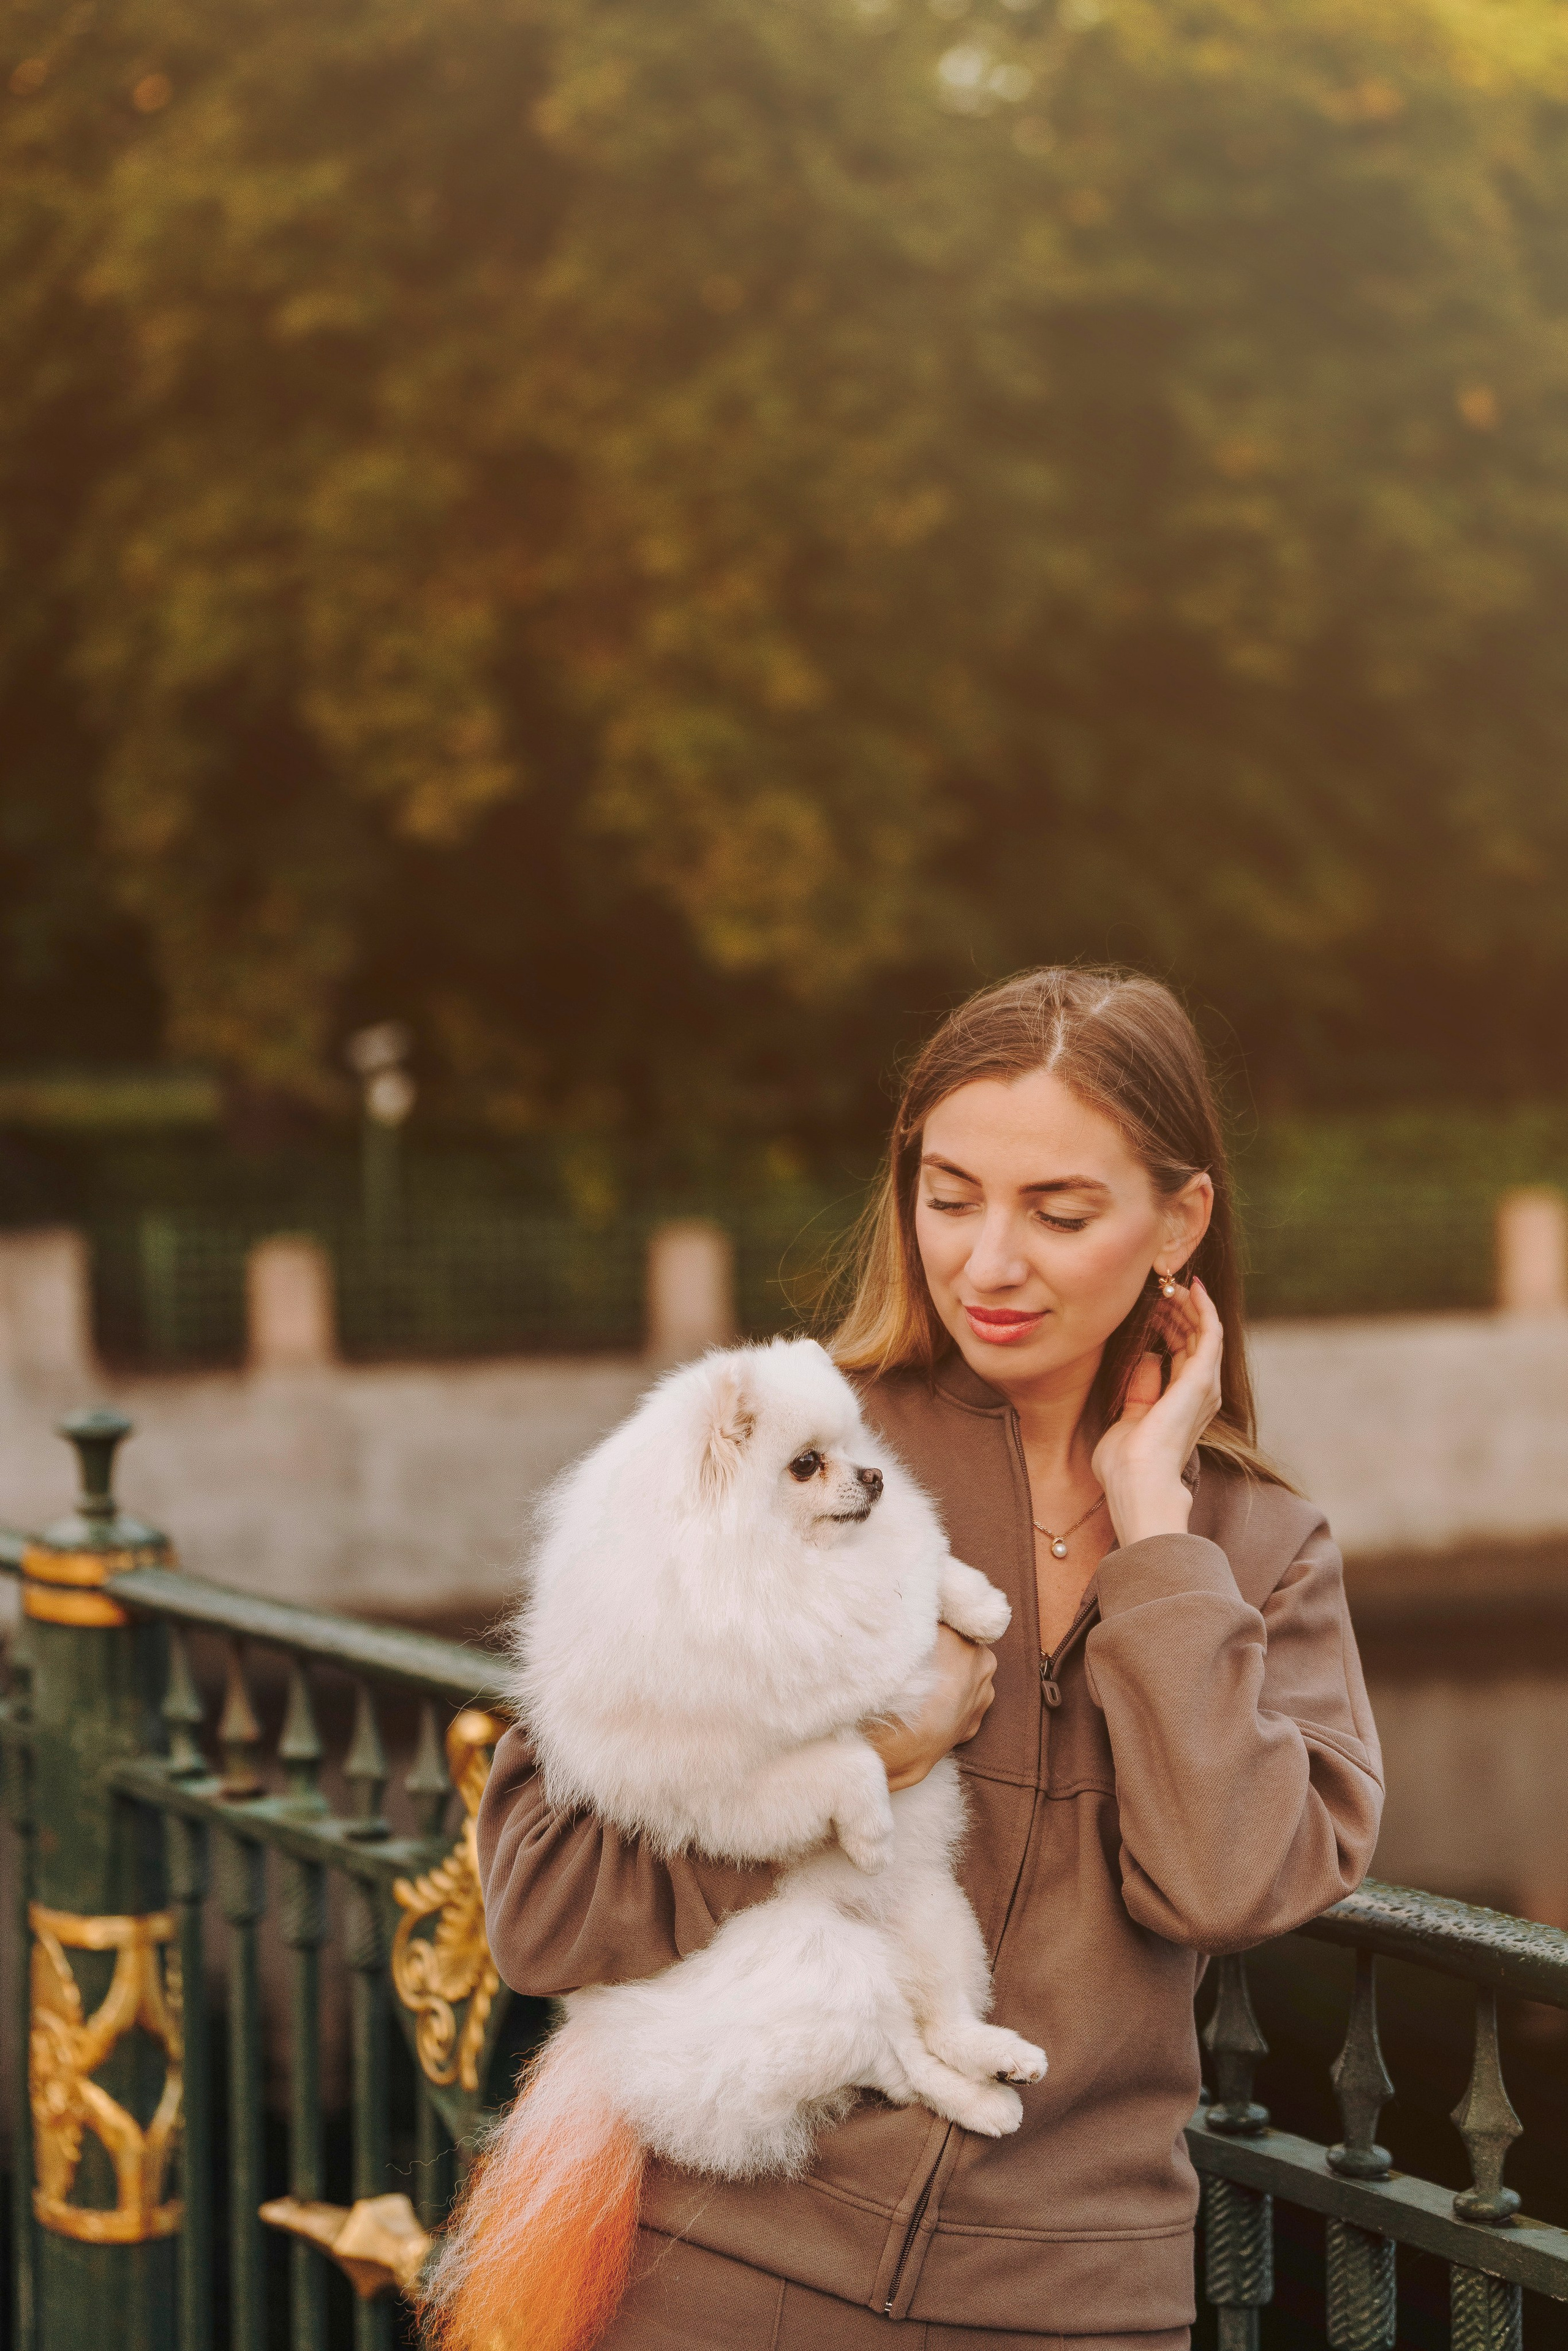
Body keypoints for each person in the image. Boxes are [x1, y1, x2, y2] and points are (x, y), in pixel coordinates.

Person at [476, 966, 1383, 2350]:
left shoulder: (1256, 1547)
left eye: (1058, 1211)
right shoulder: (793, 1463)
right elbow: (542, 1906)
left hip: (1064, 2308)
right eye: (948, 1195)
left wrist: (1155, 1538)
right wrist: (865, 1762)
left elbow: (1227, 1879)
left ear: (1177, 1220)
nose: (985, 1261)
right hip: (718, 2265)